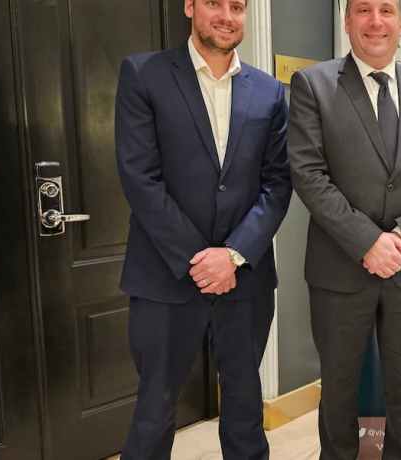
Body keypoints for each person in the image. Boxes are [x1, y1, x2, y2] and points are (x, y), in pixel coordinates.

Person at [114, 0, 291, 457]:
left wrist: (231, 255)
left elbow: (277, 184)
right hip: (164, 275)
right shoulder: (144, 75)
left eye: (238, 6)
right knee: (154, 411)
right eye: (215, 2)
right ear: (190, 6)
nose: (227, 16)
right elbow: (140, 177)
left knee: (245, 407)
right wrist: (202, 260)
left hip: (245, 277)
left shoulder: (270, 92)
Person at [287, 0, 401, 458]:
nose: (376, 21)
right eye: (363, 9)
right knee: (339, 387)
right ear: (347, 22)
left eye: (386, 10)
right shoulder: (312, 85)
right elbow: (308, 174)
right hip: (339, 268)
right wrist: (367, 241)